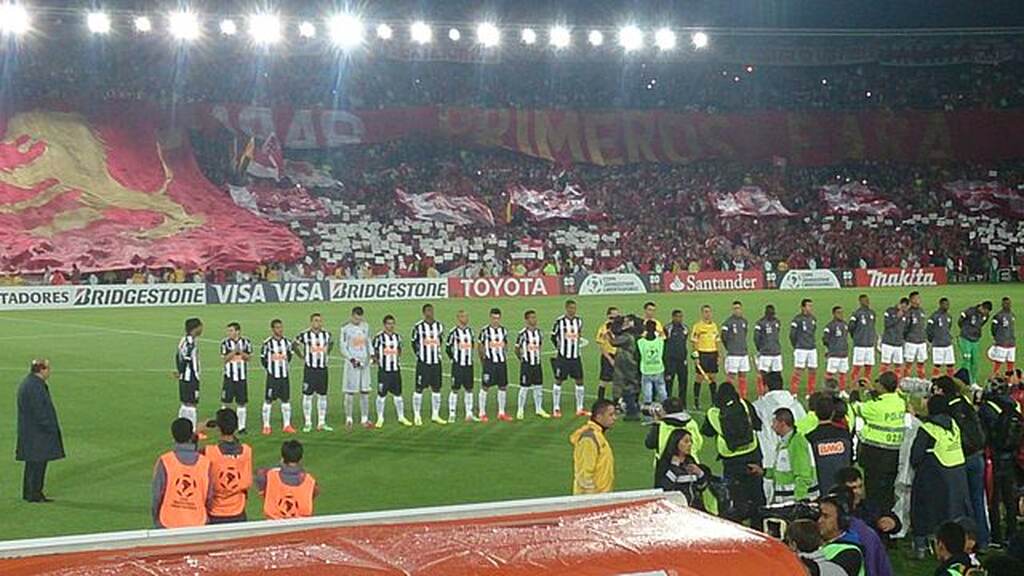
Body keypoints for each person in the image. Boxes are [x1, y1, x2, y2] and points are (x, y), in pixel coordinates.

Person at [933, 375, 990, 550]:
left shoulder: (947, 408)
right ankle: (983, 540)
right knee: (977, 500)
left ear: (941, 390)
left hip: (961, 457)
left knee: (960, 502)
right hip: (977, 455)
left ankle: (962, 542)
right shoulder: (964, 401)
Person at [911, 395, 972, 558]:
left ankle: (921, 547)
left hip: (933, 475)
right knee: (953, 511)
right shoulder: (954, 425)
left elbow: (915, 457)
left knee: (922, 508)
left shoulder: (928, 429)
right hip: (957, 474)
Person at [702, 382, 764, 524]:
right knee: (756, 495)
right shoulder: (744, 404)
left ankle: (738, 527)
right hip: (752, 454)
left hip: (731, 460)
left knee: (734, 496)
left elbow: (706, 431)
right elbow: (757, 424)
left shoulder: (713, 413)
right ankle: (759, 526)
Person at [851, 371, 907, 517]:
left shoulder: (873, 408)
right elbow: (883, 401)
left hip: (874, 455)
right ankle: (888, 521)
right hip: (894, 454)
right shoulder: (900, 402)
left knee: (874, 493)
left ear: (882, 386)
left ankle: (875, 522)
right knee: (888, 492)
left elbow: (855, 407)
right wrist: (871, 390)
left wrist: (855, 391)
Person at [979, 377, 1022, 547]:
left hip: (993, 457)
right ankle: (1011, 533)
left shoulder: (987, 408)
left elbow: (984, 434)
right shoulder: (1013, 405)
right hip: (1011, 456)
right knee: (1010, 498)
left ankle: (996, 536)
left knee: (994, 498)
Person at [16, 359, 64, 503]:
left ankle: (29, 492)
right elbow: (40, 411)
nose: (50, 371)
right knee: (37, 464)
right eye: (48, 368)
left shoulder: (30, 383)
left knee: (32, 464)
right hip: (37, 434)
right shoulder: (34, 387)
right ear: (42, 370)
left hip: (32, 433)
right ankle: (35, 494)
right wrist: (50, 427)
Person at [754, 371, 806, 502]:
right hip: (795, 457)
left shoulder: (758, 407)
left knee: (770, 501)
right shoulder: (796, 405)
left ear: (765, 387)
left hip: (769, 458)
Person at [152, 418, 212, 528]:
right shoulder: (205, 462)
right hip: (197, 521)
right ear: (191, 436)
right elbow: (209, 496)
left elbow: (157, 495)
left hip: (168, 522)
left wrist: (157, 520)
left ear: (173, 436)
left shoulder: (165, 461)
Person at [750, 407, 819, 504]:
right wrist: (763, 472)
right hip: (787, 501)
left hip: (794, 501)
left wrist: (800, 501)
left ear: (782, 423)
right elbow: (781, 473)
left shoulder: (797, 443)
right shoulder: (785, 443)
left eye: (774, 422)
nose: (772, 426)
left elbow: (803, 474)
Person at [203, 408, 253, 524]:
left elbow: (188, 452)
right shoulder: (247, 451)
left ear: (218, 428)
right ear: (236, 427)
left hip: (215, 512)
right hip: (238, 512)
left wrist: (197, 430)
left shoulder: (209, 452)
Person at [835, 467, 903, 544]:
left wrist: (891, 522)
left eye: (860, 486)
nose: (858, 492)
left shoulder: (871, 505)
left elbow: (894, 521)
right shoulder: (833, 511)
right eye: (853, 488)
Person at [805, 395, 853, 499]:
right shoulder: (845, 435)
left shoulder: (810, 438)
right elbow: (850, 461)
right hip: (843, 491)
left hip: (822, 491)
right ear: (833, 413)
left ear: (816, 413)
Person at [257, 440, 319, 520]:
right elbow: (314, 493)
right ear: (301, 458)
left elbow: (259, 476)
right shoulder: (310, 481)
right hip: (300, 528)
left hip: (273, 527)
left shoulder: (270, 475)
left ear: (282, 458)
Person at [655, 428, 713, 511]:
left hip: (696, 508)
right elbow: (664, 488)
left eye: (690, 441)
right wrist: (674, 467)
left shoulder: (690, 461)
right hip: (676, 509)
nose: (690, 444)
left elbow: (701, 487)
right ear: (675, 443)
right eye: (686, 441)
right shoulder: (665, 463)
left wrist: (700, 473)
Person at [294, 312, 333, 433]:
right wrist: (301, 356)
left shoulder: (327, 334)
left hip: (322, 369)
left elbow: (331, 343)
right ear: (311, 322)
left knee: (323, 395)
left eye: (320, 321)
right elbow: (294, 345)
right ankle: (308, 422)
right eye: (316, 320)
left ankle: (321, 422)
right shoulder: (304, 334)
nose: (318, 323)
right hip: (310, 370)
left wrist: (327, 354)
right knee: (308, 395)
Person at [570, 399, 616, 495]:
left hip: (602, 496)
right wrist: (594, 500)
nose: (614, 418)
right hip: (592, 499)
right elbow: (584, 477)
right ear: (599, 417)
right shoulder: (589, 439)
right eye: (610, 415)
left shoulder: (598, 435)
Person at [372, 315, 411, 428]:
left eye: (392, 323)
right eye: (389, 323)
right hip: (384, 371)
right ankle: (380, 418)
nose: (391, 325)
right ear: (384, 325)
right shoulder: (379, 338)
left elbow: (399, 350)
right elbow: (374, 352)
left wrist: (396, 359)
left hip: (395, 370)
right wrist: (377, 361)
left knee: (398, 394)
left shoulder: (398, 337)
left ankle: (401, 417)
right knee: (381, 395)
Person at [551, 299, 587, 417]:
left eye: (574, 308)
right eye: (571, 308)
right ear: (566, 308)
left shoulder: (579, 321)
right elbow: (553, 336)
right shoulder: (559, 321)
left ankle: (580, 408)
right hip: (563, 357)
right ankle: (556, 408)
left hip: (576, 356)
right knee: (559, 380)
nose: (573, 310)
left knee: (579, 380)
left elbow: (579, 334)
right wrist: (559, 348)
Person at [818, 490, 866, 576]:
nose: (820, 521)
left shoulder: (851, 553)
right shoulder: (819, 543)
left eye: (826, 516)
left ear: (842, 520)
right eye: (819, 515)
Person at [411, 303, 445, 426]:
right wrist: (420, 355)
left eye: (432, 310)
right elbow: (414, 343)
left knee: (436, 388)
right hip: (423, 363)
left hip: (436, 362)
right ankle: (417, 415)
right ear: (424, 312)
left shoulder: (439, 326)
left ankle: (435, 414)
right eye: (428, 311)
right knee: (419, 388)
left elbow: (440, 341)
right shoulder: (418, 327)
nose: (430, 313)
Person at [340, 306, 374, 429]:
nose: (358, 319)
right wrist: (351, 359)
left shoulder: (366, 326)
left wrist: (372, 355)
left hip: (364, 363)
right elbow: (343, 347)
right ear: (352, 315)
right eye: (356, 317)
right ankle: (349, 418)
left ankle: (364, 418)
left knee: (365, 391)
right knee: (350, 391)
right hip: (352, 364)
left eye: (360, 317)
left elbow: (368, 342)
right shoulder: (345, 328)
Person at [260, 319, 295, 435]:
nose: (280, 330)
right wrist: (270, 369)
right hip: (272, 377)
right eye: (277, 327)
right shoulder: (267, 344)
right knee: (268, 400)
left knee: (285, 400)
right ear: (273, 329)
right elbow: (263, 359)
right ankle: (266, 425)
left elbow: (289, 356)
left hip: (284, 376)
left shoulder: (287, 342)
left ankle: (287, 425)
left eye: (281, 327)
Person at [516, 310, 550, 419]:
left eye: (535, 317)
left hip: (537, 363)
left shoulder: (539, 333)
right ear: (526, 320)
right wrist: (522, 359)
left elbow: (539, 346)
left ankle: (539, 408)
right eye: (531, 318)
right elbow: (517, 348)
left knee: (538, 386)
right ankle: (520, 409)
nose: (534, 320)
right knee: (524, 387)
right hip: (526, 364)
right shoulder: (522, 334)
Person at [478, 308, 511, 422]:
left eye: (497, 318)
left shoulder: (503, 330)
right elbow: (480, 346)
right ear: (490, 318)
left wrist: (504, 354)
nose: (495, 320)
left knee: (503, 386)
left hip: (501, 362)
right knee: (485, 386)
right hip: (489, 362)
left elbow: (506, 344)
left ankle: (501, 412)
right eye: (493, 318)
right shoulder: (485, 331)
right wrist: (483, 360)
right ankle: (482, 413)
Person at [220, 322, 252, 434]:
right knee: (226, 402)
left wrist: (241, 352)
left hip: (241, 377)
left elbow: (248, 358)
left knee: (241, 402)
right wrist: (234, 352)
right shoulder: (225, 343)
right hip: (229, 377)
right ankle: (223, 426)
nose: (229, 333)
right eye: (228, 331)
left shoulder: (246, 342)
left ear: (238, 331)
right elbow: (224, 359)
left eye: (231, 330)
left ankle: (241, 427)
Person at [445, 310, 477, 422]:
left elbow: (472, 345)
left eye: (466, 316)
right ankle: (452, 413)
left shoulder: (470, 332)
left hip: (468, 364)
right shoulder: (453, 332)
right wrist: (454, 359)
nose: (465, 318)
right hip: (458, 365)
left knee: (469, 389)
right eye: (463, 316)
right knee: (455, 389)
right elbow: (448, 348)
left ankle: (469, 413)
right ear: (458, 318)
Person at [175, 317, 204, 433]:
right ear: (195, 328)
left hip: (184, 376)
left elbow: (177, 356)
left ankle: (181, 427)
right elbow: (186, 358)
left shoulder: (183, 340)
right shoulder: (190, 342)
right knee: (192, 403)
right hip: (190, 376)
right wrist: (181, 371)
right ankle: (192, 430)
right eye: (200, 326)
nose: (202, 329)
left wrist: (179, 371)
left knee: (185, 402)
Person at [690, 304, 721, 409]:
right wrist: (696, 357)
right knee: (700, 378)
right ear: (702, 313)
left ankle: (714, 401)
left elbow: (717, 341)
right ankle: (696, 401)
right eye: (705, 312)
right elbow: (694, 343)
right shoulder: (697, 326)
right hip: (702, 353)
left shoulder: (714, 326)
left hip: (712, 354)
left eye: (709, 312)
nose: (707, 314)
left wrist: (718, 355)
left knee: (713, 377)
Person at [611, 315, 641, 420]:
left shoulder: (627, 336)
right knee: (632, 385)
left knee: (627, 386)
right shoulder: (636, 333)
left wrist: (609, 335)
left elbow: (614, 342)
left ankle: (631, 412)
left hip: (627, 363)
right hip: (632, 362)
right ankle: (634, 408)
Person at [721, 301, 752, 399]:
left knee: (743, 375)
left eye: (738, 308)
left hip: (743, 353)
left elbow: (744, 334)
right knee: (731, 376)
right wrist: (729, 347)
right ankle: (728, 396)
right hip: (733, 354)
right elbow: (723, 337)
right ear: (732, 310)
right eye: (735, 308)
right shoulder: (727, 322)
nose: (737, 310)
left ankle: (743, 396)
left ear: (741, 309)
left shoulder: (744, 321)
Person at [958, 301, 993, 384]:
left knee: (975, 361)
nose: (985, 313)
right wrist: (966, 330)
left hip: (975, 340)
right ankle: (964, 381)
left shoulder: (986, 315)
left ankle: (973, 382)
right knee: (967, 359)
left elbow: (981, 324)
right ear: (982, 307)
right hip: (965, 338)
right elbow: (960, 321)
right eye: (985, 311)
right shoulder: (970, 311)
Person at [790, 298, 819, 397]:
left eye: (811, 306)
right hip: (801, 348)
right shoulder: (797, 319)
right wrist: (796, 346)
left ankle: (810, 392)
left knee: (813, 370)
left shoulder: (813, 319)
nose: (810, 308)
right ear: (802, 307)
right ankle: (793, 392)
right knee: (798, 370)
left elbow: (813, 332)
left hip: (812, 348)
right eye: (808, 306)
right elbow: (792, 335)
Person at [754, 304, 784, 397]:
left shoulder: (777, 322)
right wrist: (761, 348)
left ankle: (777, 391)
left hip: (776, 352)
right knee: (763, 373)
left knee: (777, 373)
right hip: (765, 353)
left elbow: (777, 334)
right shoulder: (760, 323)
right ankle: (762, 393)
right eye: (770, 313)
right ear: (766, 313)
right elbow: (756, 338)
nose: (771, 315)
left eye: (772, 313)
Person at [637, 320, 667, 407]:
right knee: (662, 390)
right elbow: (665, 336)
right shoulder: (660, 341)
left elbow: (638, 355)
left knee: (647, 393)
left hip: (646, 370)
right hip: (658, 369)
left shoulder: (640, 342)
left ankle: (648, 414)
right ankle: (666, 409)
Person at [849, 294, 878, 385]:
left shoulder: (872, 313)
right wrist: (856, 336)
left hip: (869, 344)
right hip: (860, 345)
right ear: (860, 301)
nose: (867, 302)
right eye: (865, 300)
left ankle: (865, 385)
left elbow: (872, 327)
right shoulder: (856, 313)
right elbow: (851, 327)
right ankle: (854, 384)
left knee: (868, 366)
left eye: (868, 300)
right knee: (857, 366)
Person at [664, 309, 690, 405]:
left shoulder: (685, 329)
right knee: (669, 382)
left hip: (682, 360)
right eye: (677, 317)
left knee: (683, 382)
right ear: (673, 317)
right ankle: (668, 402)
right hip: (670, 360)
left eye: (681, 317)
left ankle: (683, 403)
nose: (679, 319)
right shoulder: (667, 328)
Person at [595, 307, 622, 402]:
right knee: (604, 380)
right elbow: (601, 346)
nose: (615, 319)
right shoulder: (603, 329)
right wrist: (610, 359)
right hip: (607, 356)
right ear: (608, 316)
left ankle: (617, 402)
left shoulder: (621, 328)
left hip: (619, 356)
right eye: (612, 317)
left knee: (618, 381)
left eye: (617, 317)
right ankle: (600, 400)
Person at [928, 297, 957, 378]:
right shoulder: (934, 316)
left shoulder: (949, 316)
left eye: (948, 304)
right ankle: (935, 381)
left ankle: (950, 380)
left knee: (950, 364)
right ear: (940, 305)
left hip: (948, 344)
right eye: (945, 304)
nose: (947, 306)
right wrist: (932, 340)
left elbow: (948, 328)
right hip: (938, 344)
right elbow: (928, 330)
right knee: (937, 365)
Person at [823, 306, 851, 391]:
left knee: (843, 373)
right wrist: (830, 349)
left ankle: (842, 390)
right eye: (838, 313)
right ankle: (828, 389)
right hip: (834, 354)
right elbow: (825, 339)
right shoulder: (829, 326)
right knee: (830, 373)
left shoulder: (845, 324)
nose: (841, 315)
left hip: (844, 353)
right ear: (834, 314)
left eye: (842, 313)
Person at [880, 298, 908, 377]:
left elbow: (905, 329)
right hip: (888, 343)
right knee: (885, 364)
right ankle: (882, 383)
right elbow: (887, 324)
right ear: (899, 304)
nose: (904, 308)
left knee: (898, 365)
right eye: (903, 306)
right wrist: (897, 317)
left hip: (898, 344)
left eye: (905, 307)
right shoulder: (889, 311)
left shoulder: (905, 314)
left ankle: (897, 384)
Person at [904, 291, 929, 380]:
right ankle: (906, 381)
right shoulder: (908, 312)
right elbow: (905, 327)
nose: (919, 300)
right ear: (912, 300)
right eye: (917, 298)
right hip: (911, 341)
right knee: (909, 363)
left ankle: (922, 381)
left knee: (921, 363)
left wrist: (925, 338)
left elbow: (922, 326)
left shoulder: (921, 311)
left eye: (919, 298)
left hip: (921, 341)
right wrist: (906, 338)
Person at [990, 297, 1016, 376]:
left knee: (1010, 362)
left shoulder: (1012, 315)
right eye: (1005, 304)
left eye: (1009, 303)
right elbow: (993, 328)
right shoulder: (998, 316)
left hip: (1011, 343)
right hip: (1002, 343)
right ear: (1002, 304)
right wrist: (997, 338)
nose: (1007, 305)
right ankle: (994, 378)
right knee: (999, 361)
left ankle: (1010, 381)